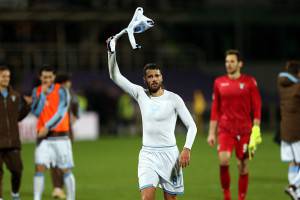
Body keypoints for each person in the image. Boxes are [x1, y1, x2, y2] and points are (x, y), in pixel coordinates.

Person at [107, 36, 197, 200]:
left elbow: (192, 126)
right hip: (148, 155)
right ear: (145, 80)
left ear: (162, 78)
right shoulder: (140, 94)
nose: (154, 79)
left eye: (157, 76)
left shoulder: (174, 99)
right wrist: (111, 51)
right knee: (146, 198)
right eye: (150, 76)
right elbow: (115, 76)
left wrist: (187, 148)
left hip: (171, 156)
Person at [207, 49, 262, 200]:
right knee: (223, 160)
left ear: (240, 64)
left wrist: (256, 129)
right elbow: (215, 109)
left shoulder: (250, 82)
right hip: (225, 129)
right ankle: (227, 195)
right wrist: (212, 133)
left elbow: (257, 107)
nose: (228, 64)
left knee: (242, 166)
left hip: (245, 130)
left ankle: (241, 198)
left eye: (232, 61)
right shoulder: (219, 82)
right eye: (227, 61)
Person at [31, 66, 75, 200]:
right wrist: (42, 96)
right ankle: (37, 198)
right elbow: (36, 112)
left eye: (50, 77)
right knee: (39, 167)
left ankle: (71, 198)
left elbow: (61, 112)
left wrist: (47, 126)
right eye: (45, 77)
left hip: (60, 136)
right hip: (43, 138)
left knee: (65, 169)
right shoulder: (36, 91)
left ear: (54, 77)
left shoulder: (62, 91)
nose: (47, 80)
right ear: (40, 77)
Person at [0, 65, 30, 200]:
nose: (6, 79)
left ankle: (15, 194)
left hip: (13, 142)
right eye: (3, 76)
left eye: (8, 76)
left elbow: (16, 117)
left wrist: (27, 107)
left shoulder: (15, 96)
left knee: (17, 170)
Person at [49, 73, 79, 199]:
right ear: (63, 83)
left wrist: (74, 116)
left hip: (63, 132)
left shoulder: (65, 93)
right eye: (68, 81)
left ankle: (59, 187)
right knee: (58, 161)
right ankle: (58, 187)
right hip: (58, 132)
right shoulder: (66, 94)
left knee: (60, 161)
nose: (69, 84)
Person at [277, 60, 300, 200]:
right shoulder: (297, 87)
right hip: (297, 131)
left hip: (285, 131)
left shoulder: (282, 85)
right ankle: (294, 187)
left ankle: (296, 194)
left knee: (294, 163)